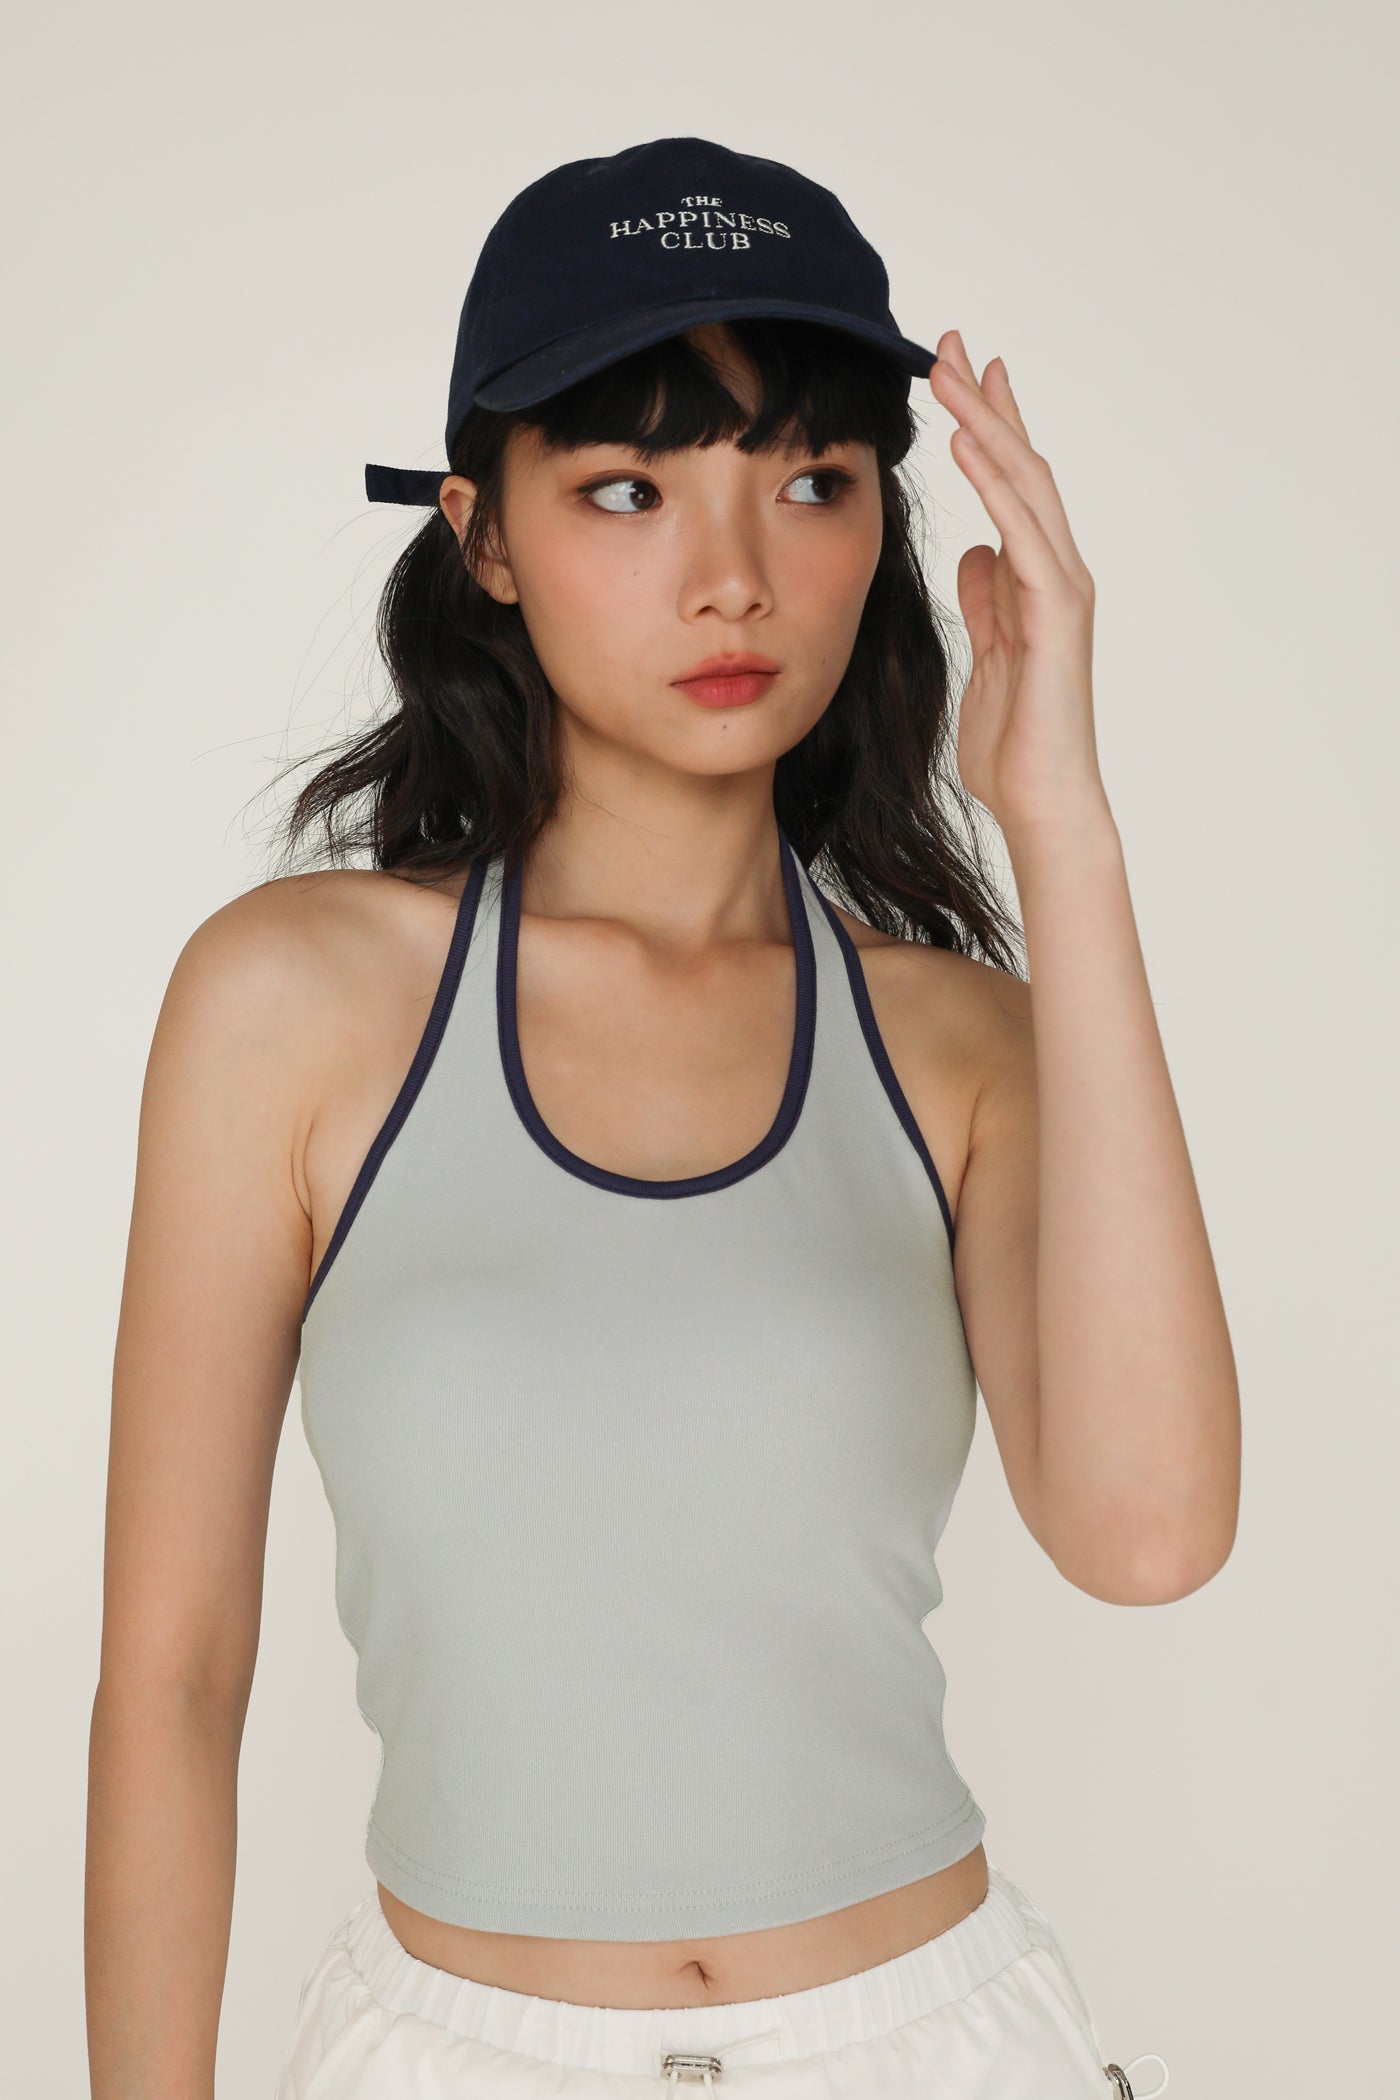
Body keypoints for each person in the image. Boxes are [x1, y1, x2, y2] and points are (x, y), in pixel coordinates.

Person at [85, 135, 1235, 2099]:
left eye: (812, 481)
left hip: (932, 2045)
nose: (734, 579)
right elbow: (171, 1684)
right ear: (482, 534)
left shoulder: (964, 1047)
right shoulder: (290, 1005)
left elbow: (1148, 1537)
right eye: (628, 487)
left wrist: (1064, 828)